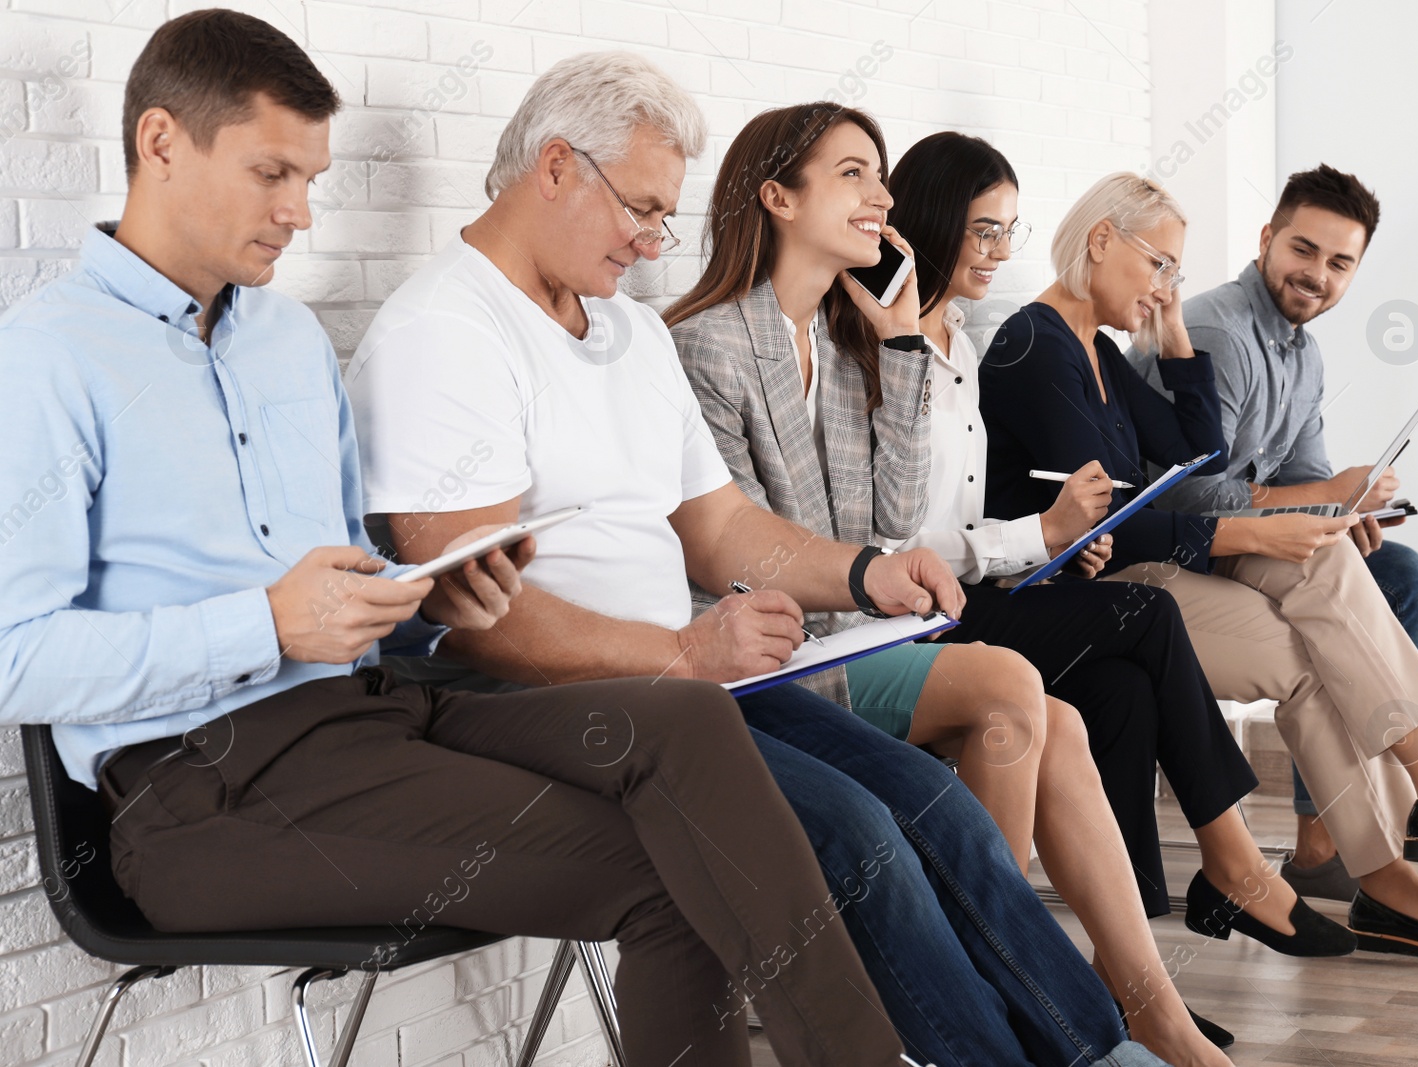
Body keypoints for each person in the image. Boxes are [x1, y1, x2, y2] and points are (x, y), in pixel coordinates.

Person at [0, 14, 932, 1067]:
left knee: (684, 725)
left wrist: (428, 591)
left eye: (310, 178)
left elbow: (344, 576)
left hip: (369, 718)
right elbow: (16, 657)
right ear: (161, 142)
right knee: (683, 871)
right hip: (197, 795)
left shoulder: (287, 337)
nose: (300, 212)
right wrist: (261, 622)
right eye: (273, 173)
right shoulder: (48, 358)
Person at [346, 52, 1168, 1067]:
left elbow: (725, 526)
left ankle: (1102, 1053)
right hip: (556, 700)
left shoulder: (629, 331)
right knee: (857, 838)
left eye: (666, 216)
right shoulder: (444, 332)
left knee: (939, 808)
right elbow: (482, 616)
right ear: (554, 167)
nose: (653, 243)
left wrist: (866, 572)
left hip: (695, 679)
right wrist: (683, 651)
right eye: (641, 211)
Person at [662, 113, 1347, 1062]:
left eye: (884, 180)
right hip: (787, 654)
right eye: (856, 174)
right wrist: (995, 530)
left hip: (858, 629)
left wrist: (900, 345)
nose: (881, 198)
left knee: (1073, 710)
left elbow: (880, 517)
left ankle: (1143, 1009)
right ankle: (1052, 992)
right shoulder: (714, 345)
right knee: (1031, 682)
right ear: (778, 198)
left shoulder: (846, 333)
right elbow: (770, 550)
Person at [979, 171, 1418, 962]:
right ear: (1101, 242)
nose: (1168, 285)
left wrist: (1170, 336)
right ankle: (1410, 834)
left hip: (1149, 567)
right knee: (1315, 648)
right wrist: (1256, 534)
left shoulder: (1095, 347)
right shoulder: (1036, 345)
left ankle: (1403, 842)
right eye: (1158, 264)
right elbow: (1104, 526)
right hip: (1097, 586)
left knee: (1329, 617)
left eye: (1176, 271)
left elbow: (1196, 448)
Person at [1130, 164, 1418, 901]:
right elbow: (1202, 497)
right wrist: (1325, 496)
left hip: (1253, 548)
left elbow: (1306, 473)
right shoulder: (1219, 330)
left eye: (1340, 263)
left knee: (1408, 579)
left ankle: (1323, 842)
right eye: (1303, 251)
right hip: (1184, 548)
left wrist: (1350, 507)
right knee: (1335, 603)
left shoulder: (1303, 352)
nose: (1317, 276)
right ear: (1268, 238)